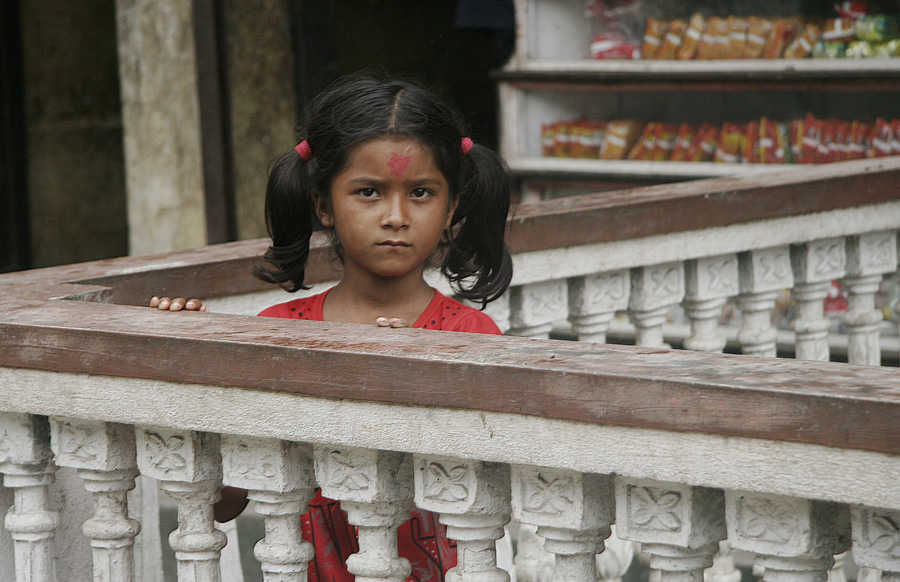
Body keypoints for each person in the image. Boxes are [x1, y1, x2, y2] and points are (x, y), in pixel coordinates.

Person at [150, 73, 515, 582]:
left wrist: (410, 385)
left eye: (422, 193)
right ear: (324, 204)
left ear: (452, 206)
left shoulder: (470, 335)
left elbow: (490, 491)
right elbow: (222, 503)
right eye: (368, 191)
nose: (395, 216)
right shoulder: (279, 332)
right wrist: (191, 365)